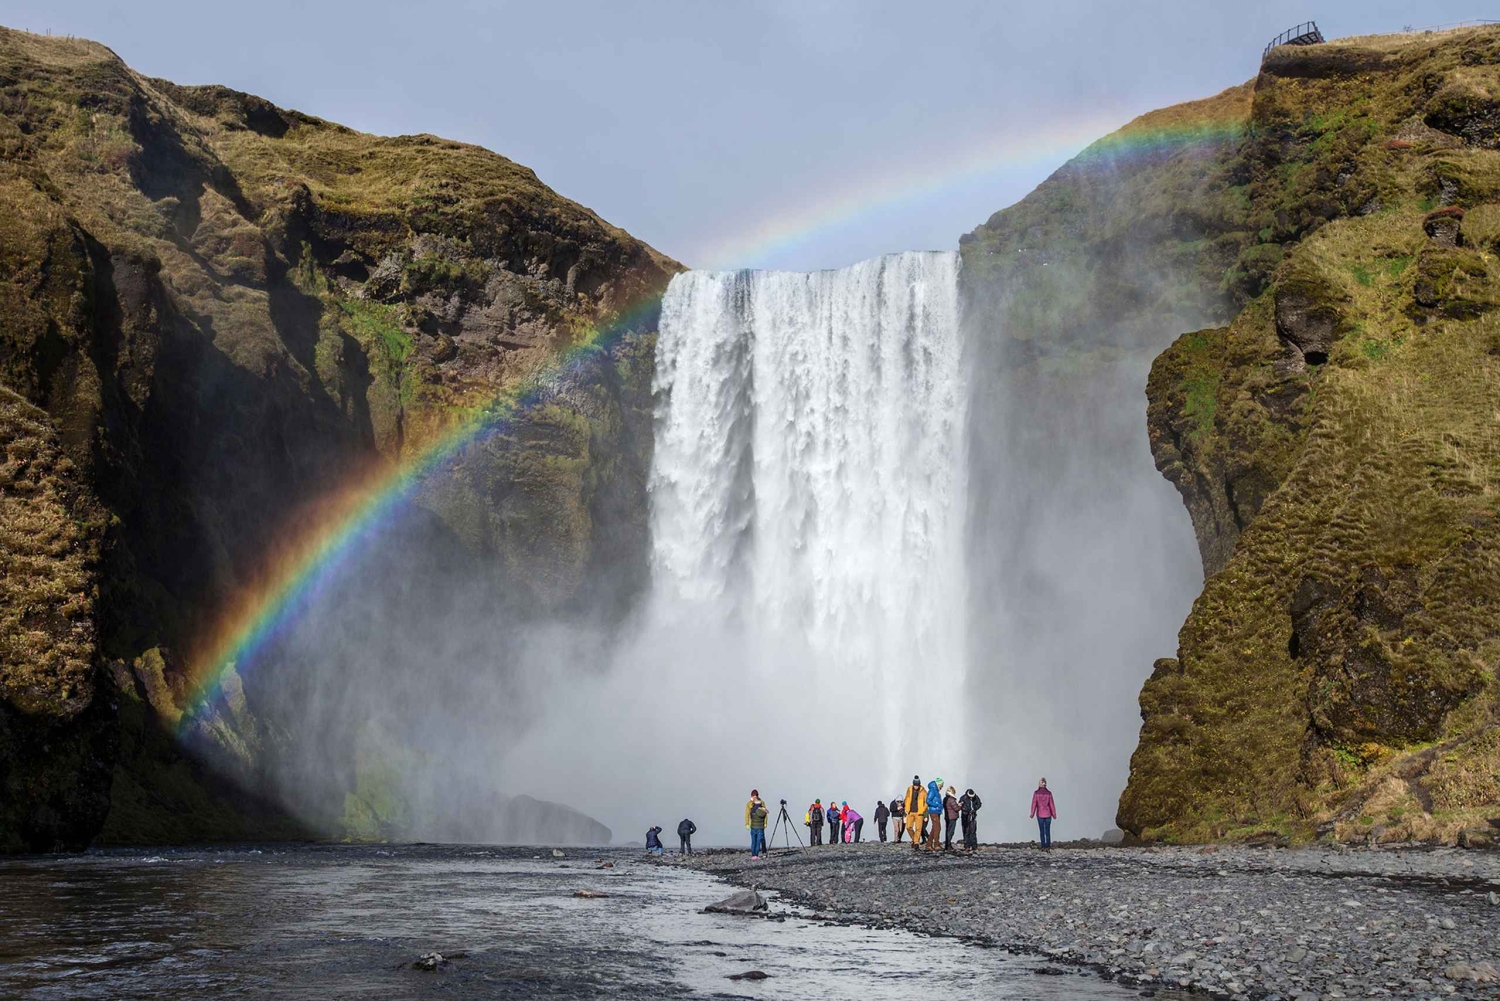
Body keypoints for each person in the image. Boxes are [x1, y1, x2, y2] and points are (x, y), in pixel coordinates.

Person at [1031, 777, 1057, 849]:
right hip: (1048, 814)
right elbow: (1051, 804)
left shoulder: (1036, 793)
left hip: (1040, 814)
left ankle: (1043, 846)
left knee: (1042, 831)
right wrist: (1054, 814)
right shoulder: (1049, 793)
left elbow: (1034, 804)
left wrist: (1032, 813)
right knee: (1047, 831)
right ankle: (1048, 846)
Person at [903, 776, 925, 849]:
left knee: (918, 828)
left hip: (919, 813)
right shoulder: (909, 789)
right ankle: (914, 839)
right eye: (915, 785)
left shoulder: (923, 791)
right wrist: (906, 808)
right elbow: (906, 798)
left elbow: (926, 802)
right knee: (908, 827)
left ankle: (916, 843)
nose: (916, 787)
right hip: (910, 811)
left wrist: (923, 810)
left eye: (917, 785)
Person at [746, 790, 769, 858]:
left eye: (754, 796)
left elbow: (765, 815)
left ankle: (758, 853)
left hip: (757, 825)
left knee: (757, 840)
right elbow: (747, 814)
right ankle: (757, 854)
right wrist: (747, 823)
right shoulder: (749, 804)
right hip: (755, 825)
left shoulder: (761, 803)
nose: (754, 797)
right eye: (753, 796)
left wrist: (765, 823)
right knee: (757, 840)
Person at [925, 777, 943, 850]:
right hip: (933, 811)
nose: (942, 786)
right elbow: (928, 800)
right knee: (937, 828)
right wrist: (936, 804)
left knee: (934, 828)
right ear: (938, 784)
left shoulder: (935, 791)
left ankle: (929, 844)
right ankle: (936, 844)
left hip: (937, 811)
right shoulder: (932, 790)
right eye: (941, 785)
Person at [942, 785, 961, 851]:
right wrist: (959, 806)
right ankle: (948, 845)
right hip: (952, 817)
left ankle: (947, 845)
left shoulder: (945, 799)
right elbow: (956, 809)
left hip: (947, 817)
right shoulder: (951, 799)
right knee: (951, 832)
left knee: (947, 831)